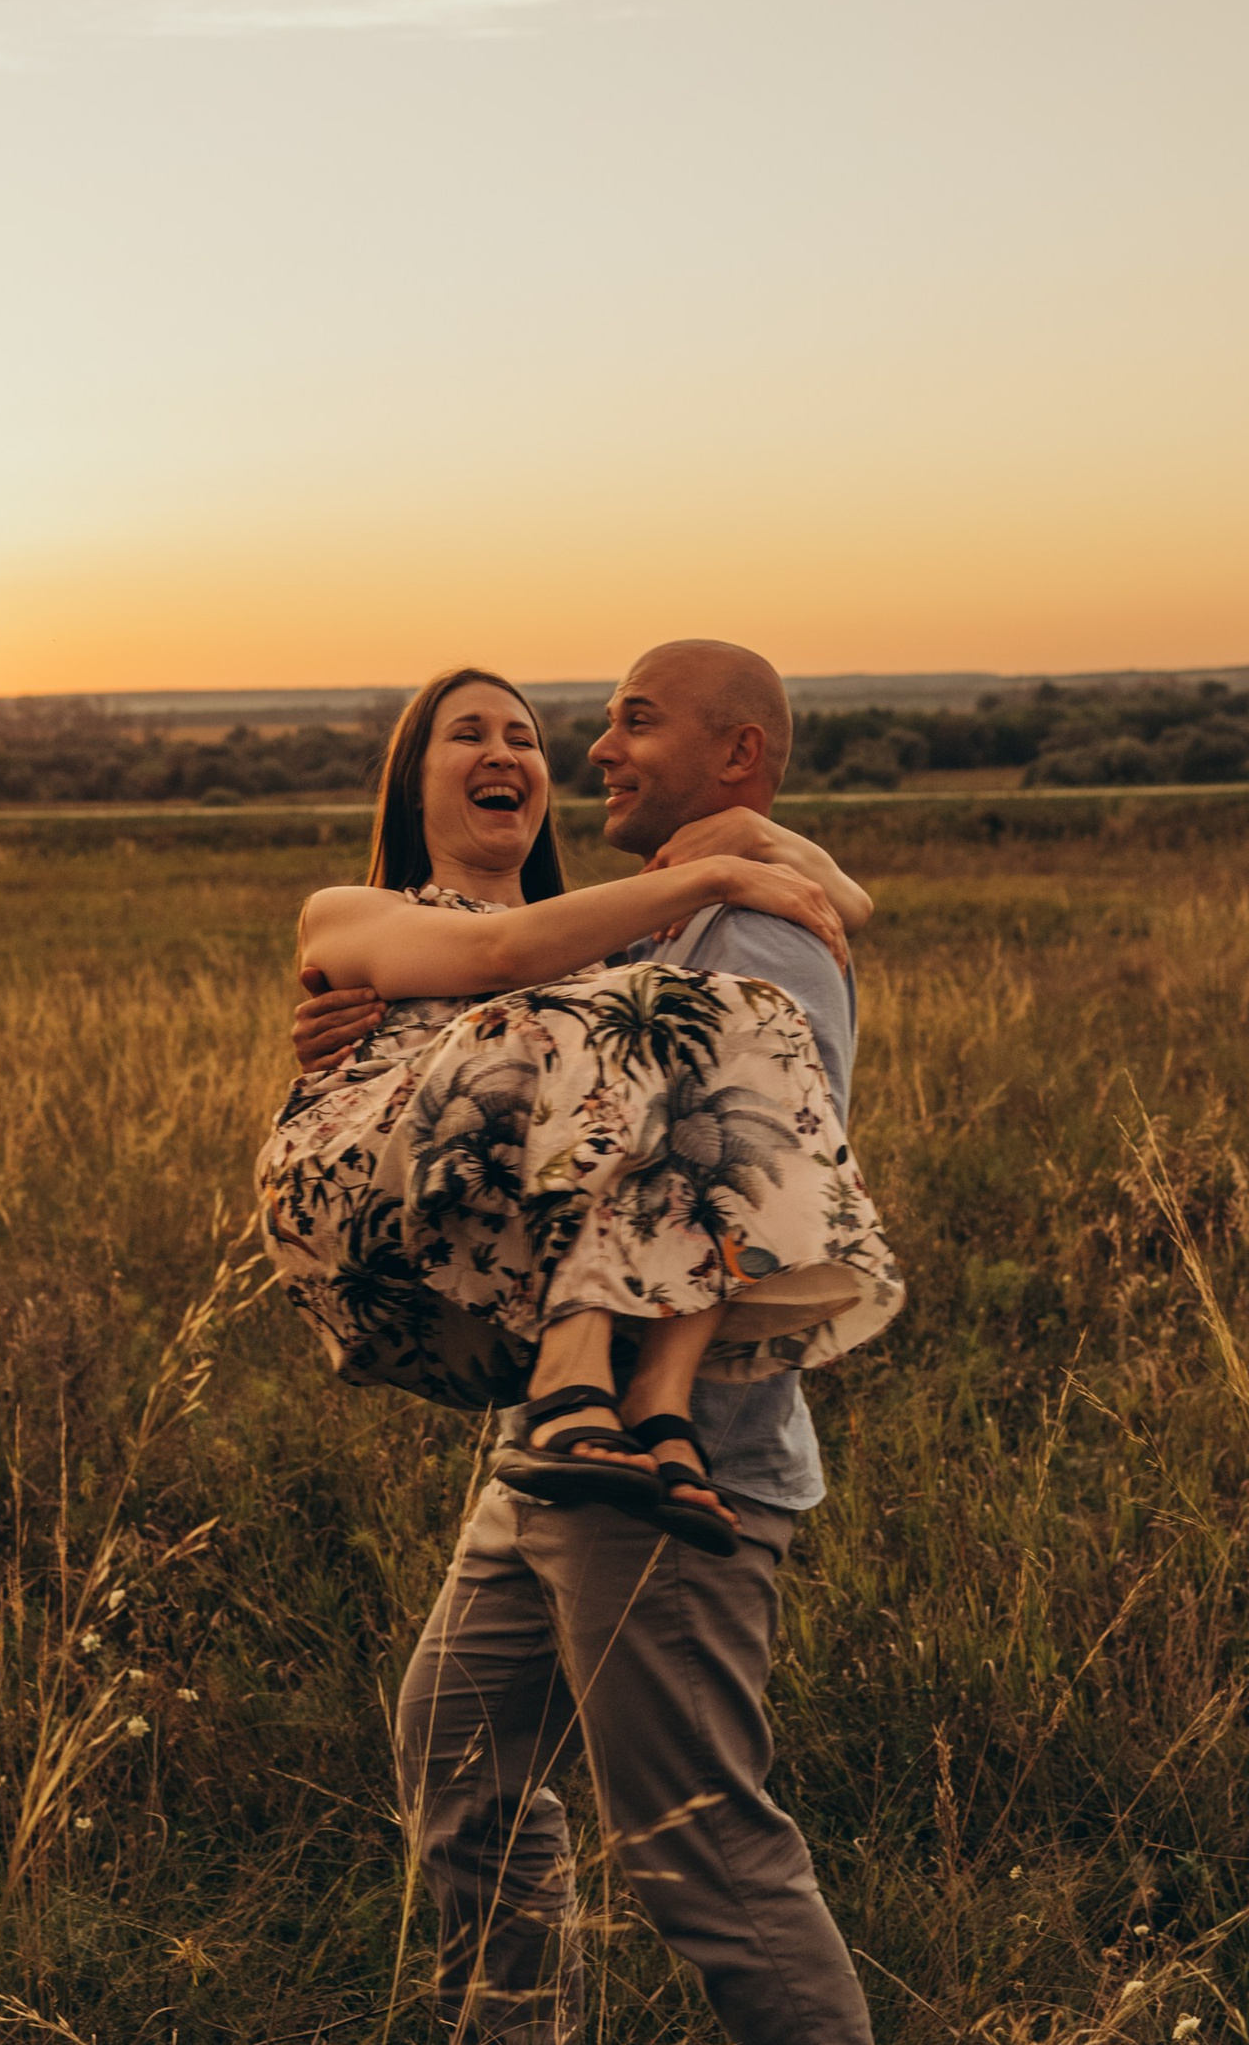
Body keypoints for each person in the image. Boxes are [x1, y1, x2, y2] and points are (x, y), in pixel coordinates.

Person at [278, 640, 905, 2045]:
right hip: (546, 1451)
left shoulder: (755, 936)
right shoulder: (630, 932)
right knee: (458, 1750)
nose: (585, 750)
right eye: (489, 735)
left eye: (621, 723)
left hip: (680, 1461)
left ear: (737, 764)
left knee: (698, 1841)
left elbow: (736, 1190)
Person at [256, 662, 900, 1549]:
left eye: (522, 739)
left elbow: (847, 912)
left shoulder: (598, 950)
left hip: (513, 1309)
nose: (505, 754)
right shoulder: (351, 910)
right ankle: (577, 1379)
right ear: (412, 784)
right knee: (635, 1014)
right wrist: (718, 873)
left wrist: (774, 847)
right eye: (470, 735)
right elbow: (496, 954)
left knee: (709, 1048)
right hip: (373, 1216)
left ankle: (654, 1402)